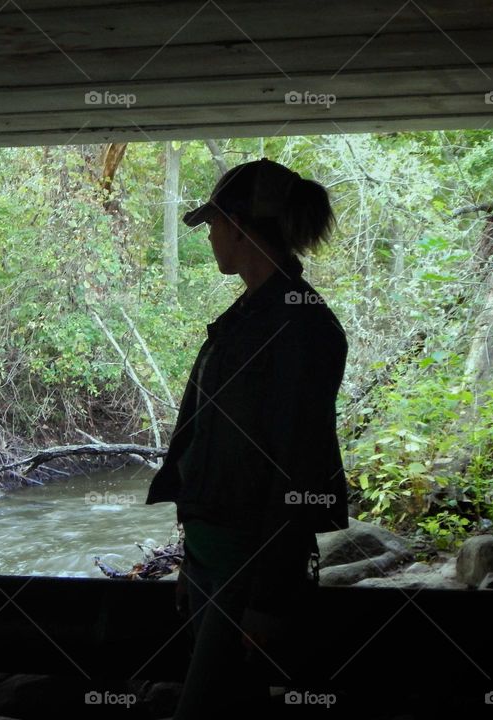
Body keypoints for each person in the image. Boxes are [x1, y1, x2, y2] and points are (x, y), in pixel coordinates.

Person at [144, 158, 350, 717]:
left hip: (249, 567)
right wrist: (191, 559)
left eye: (213, 222)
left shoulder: (302, 327)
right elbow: (212, 443)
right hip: (214, 555)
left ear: (240, 225)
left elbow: (300, 467)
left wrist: (268, 598)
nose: (209, 234)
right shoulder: (248, 316)